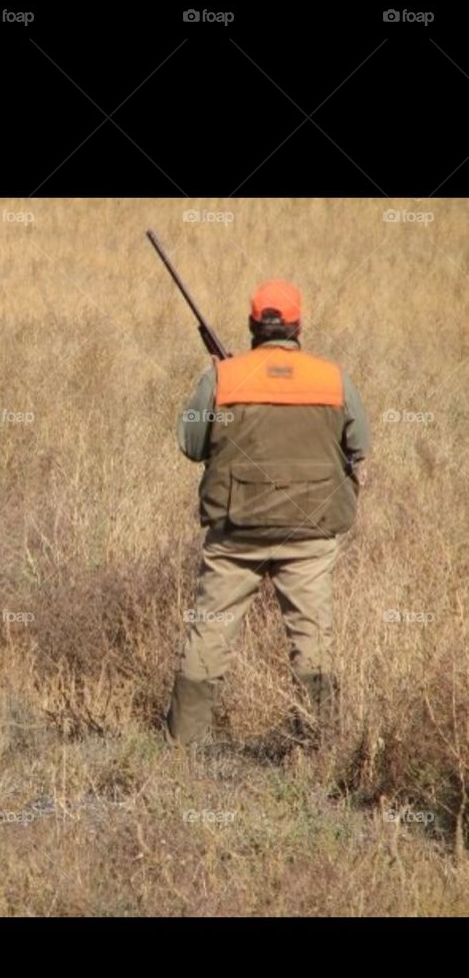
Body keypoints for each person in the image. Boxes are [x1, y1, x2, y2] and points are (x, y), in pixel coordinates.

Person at [165, 279, 370, 747]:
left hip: (237, 531)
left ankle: (181, 748)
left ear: (253, 325)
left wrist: (220, 384)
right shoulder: (333, 379)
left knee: (210, 633)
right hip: (311, 531)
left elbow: (191, 444)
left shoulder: (223, 378)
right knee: (312, 636)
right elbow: (359, 446)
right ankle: (325, 746)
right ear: (298, 325)